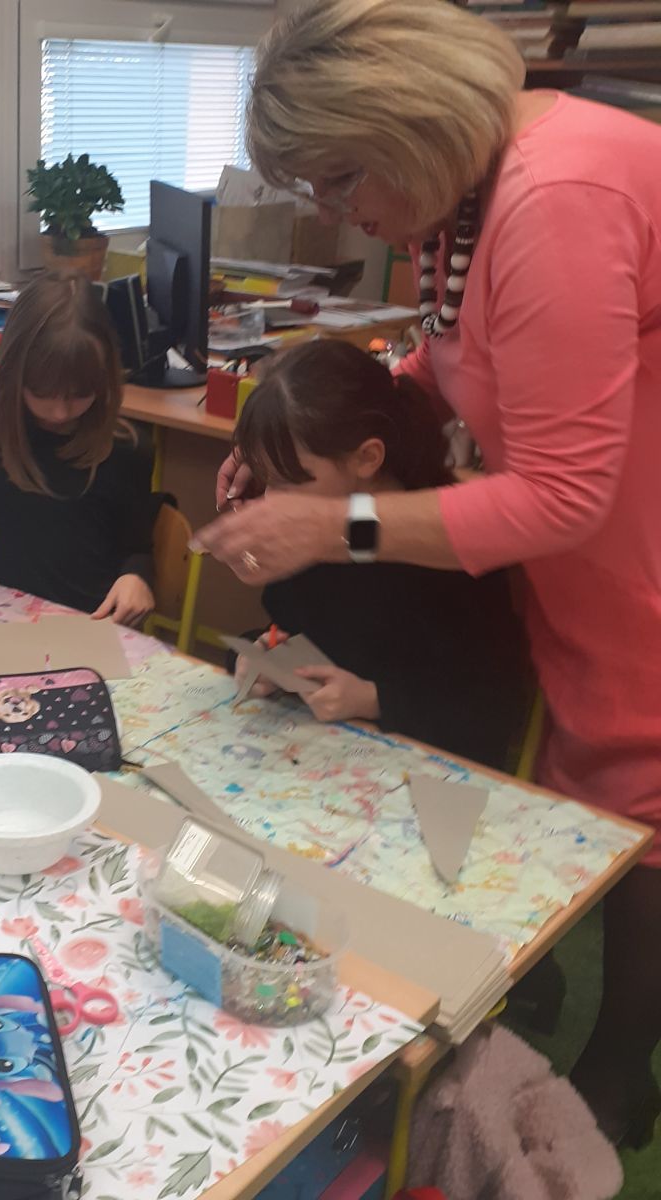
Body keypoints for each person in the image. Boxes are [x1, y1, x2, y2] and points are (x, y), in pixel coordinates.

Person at [193, 0, 661, 1145]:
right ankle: (581, 1023)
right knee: (601, 791)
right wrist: (285, 452)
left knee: (642, 804)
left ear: (400, 124)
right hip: (596, 551)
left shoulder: (555, 198)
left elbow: (561, 494)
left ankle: (621, 1068)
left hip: (632, 549)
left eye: (337, 178)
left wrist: (332, 522)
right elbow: (451, 356)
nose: (329, 210)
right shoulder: (462, 199)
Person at [226, 341, 530, 771]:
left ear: (367, 458)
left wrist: (373, 699)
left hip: (425, 771)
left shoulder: (447, 548)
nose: (273, 502)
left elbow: (492, 710)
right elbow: (293, 632)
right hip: (318, 759)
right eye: (266, 481)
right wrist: (258, 656)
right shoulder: (308, 538)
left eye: (289, 483)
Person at [0, 271, 156, 624]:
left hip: (94, 625)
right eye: (42, 393)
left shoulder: (128, 449)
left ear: (104, 379)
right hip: (9, 616)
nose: (60, 412)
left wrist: (137, 576)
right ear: (13, 375)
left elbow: (138, 547)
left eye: (79, 395)